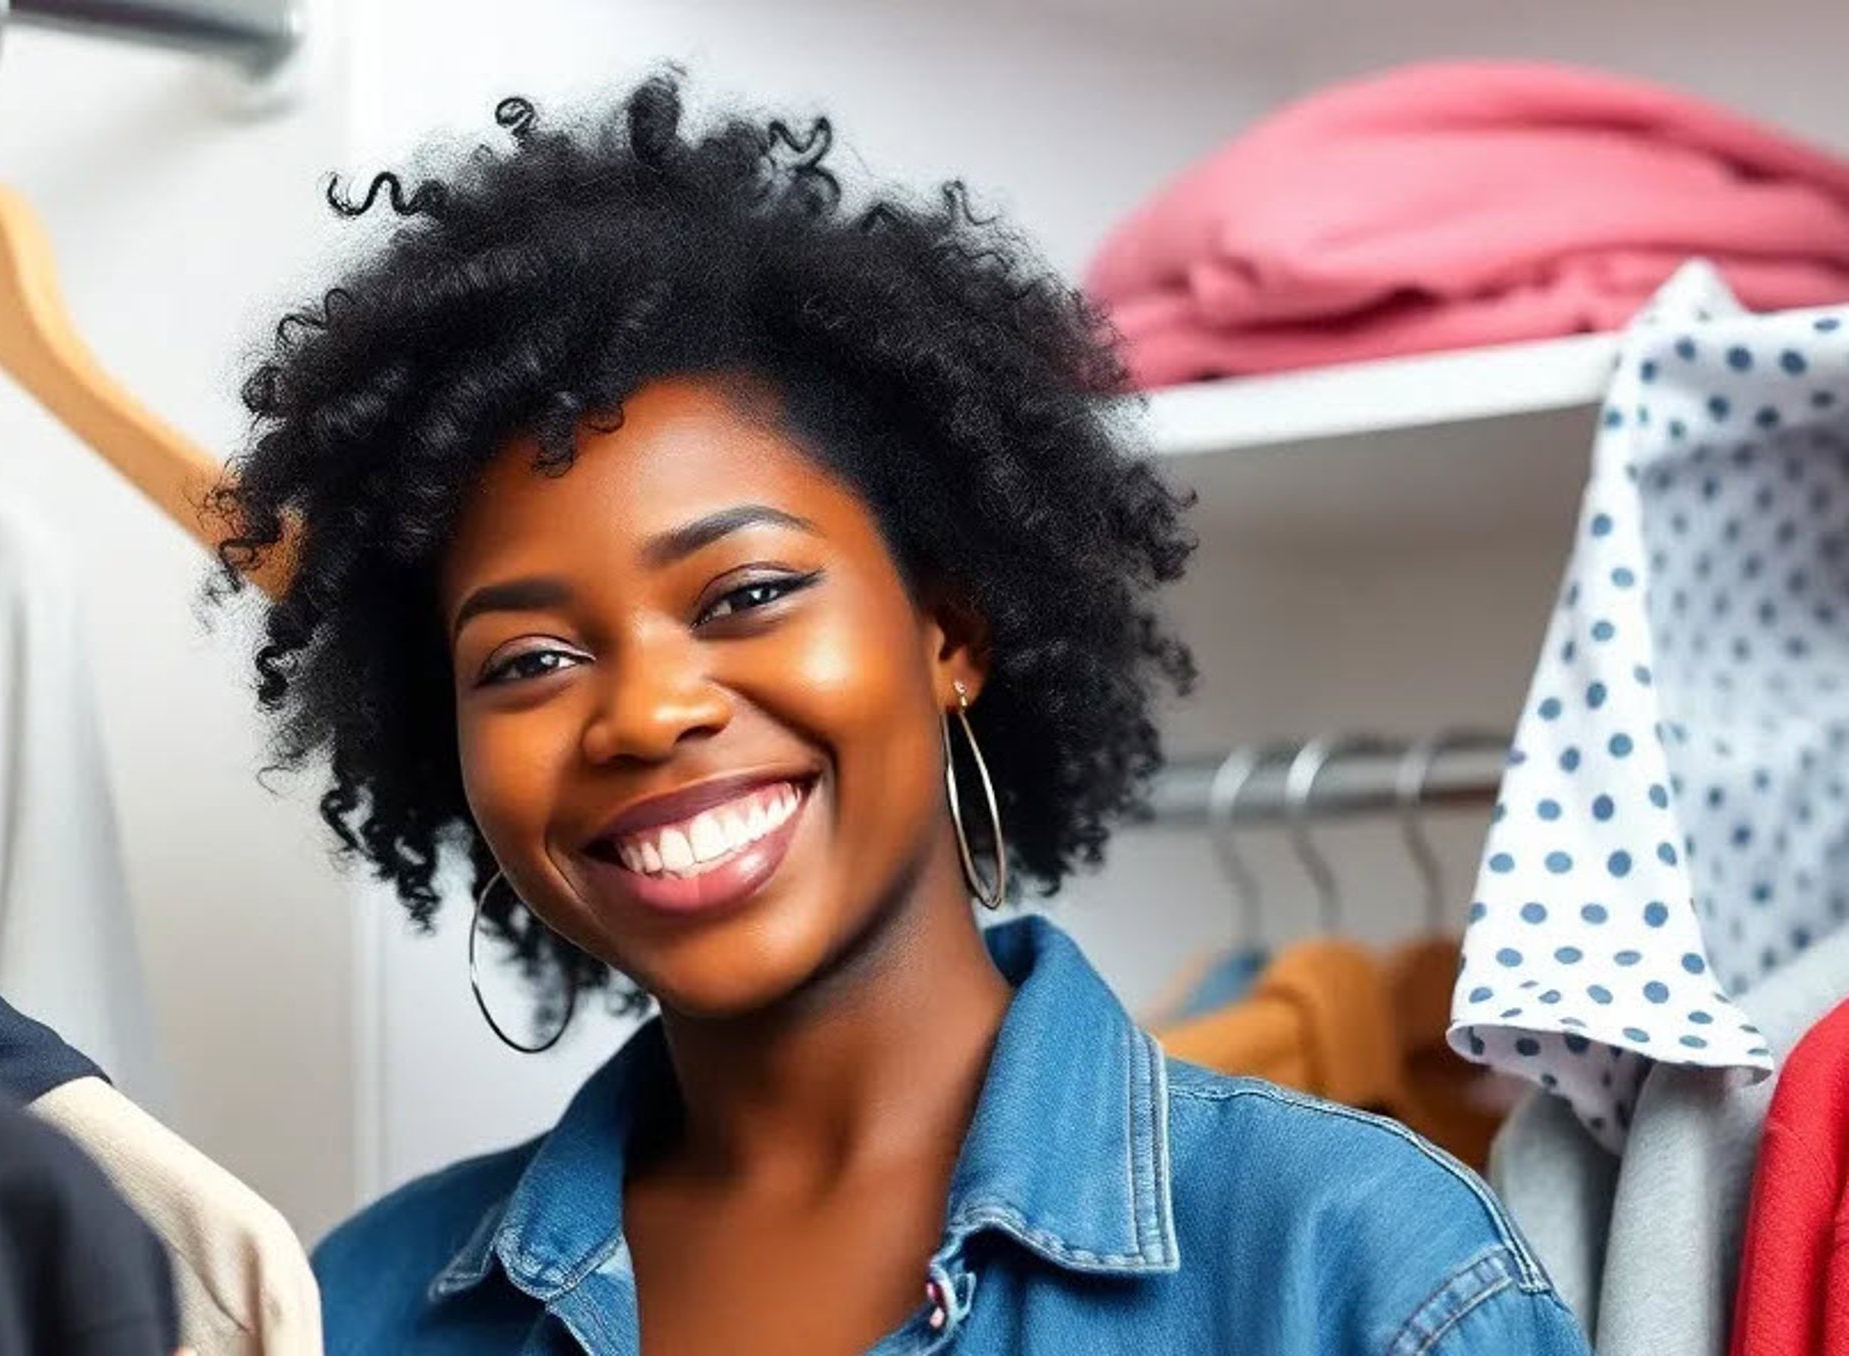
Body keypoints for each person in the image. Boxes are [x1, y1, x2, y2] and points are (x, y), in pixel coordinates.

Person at [205, 72, 1589, 1355]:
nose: (648, 712)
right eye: (527, 661)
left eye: (747, 593)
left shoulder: (1354, 1272)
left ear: (950, 634)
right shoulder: (365, 1306)